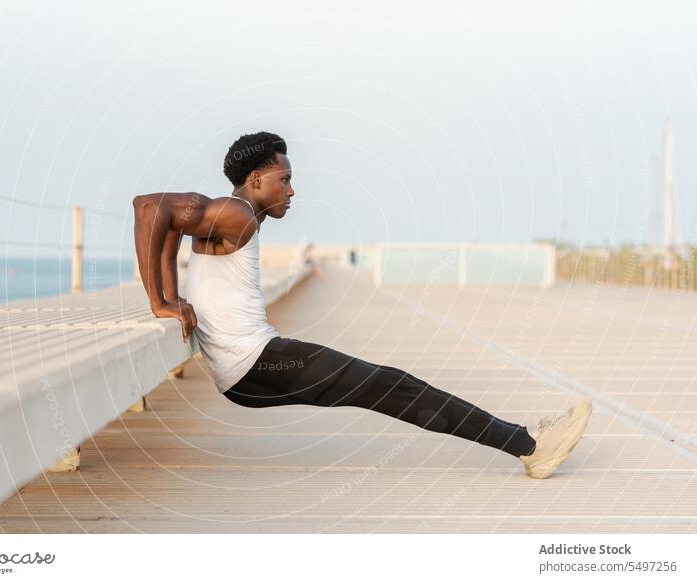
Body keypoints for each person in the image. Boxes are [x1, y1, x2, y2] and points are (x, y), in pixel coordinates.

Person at [132, 131, 592, 479]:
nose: (292, 191)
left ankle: (525, 442)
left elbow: (169, 229)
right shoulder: (235, 213)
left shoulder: (230, 214)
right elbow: (150, 208)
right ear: (256, 180)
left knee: (393, 387)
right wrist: (160, 301)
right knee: (397, 388)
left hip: (251, 367)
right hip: (256, 363)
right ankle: (530, 446)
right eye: (284, 179)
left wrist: (173, 296)